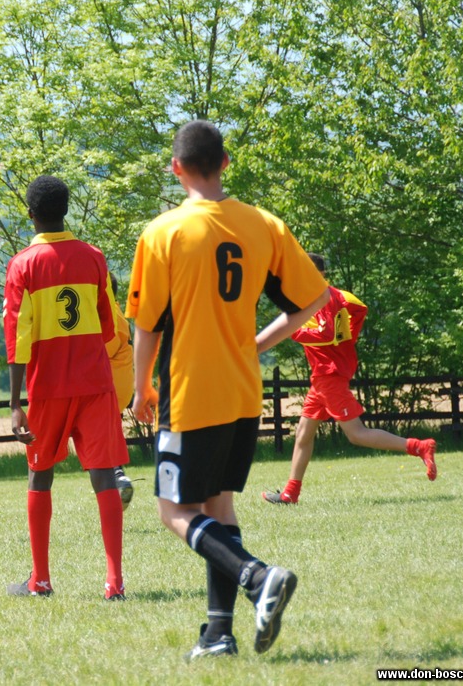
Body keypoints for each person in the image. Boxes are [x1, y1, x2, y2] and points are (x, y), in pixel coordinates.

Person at [127, 120, 329, 659]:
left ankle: (256, 576)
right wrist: (257, 345)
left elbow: (145, 326)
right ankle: (219, 634)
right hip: (243, 390)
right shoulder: (263, 224)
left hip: (189, 390)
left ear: (176, 168)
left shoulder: (163, 232)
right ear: (226, 163)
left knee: (173, 511)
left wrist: (140, 388)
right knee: (218, 507)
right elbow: (312, 299)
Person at [3, 175, 129, 601]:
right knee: (104, 477)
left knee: (40, 478)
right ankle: (114, 582)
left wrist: (15, 402)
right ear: (66, 209)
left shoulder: (23, 265)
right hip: (95, 384)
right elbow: (110, 325)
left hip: (47, 388)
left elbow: (18, 337)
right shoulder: (94, 258)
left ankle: (41, 580)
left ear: (30, 213)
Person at [262, 253, 437, 505]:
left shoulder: (321, 299)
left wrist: (293, 330)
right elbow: (359, 309)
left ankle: (419, 446)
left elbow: (327, 333)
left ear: (316, 274)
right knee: (303, 433)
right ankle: (291, 493)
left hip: (329, 374)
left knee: (356, 434)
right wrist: (348, 338)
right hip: (323, 374)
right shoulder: (336, 295)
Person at [106, 272, 135, 509]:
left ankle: (116, 476)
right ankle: (116, 476)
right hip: (118, 386)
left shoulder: (111, 315)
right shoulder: (113, 311)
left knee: (96, 436)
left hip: (111, 387)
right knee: (105, 434)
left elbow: (105, 349)